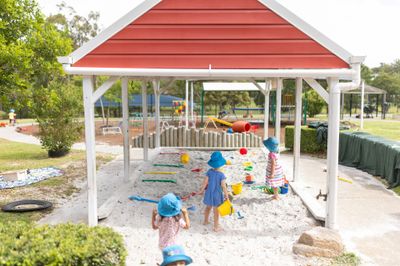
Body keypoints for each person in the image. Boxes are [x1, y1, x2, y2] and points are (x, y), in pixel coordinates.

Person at [198, 151, 229, 232]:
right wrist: (227, 195)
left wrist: (201, 190)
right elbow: (223, 186)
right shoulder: (221, 175)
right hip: (217, 195)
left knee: (208, 207)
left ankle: (205, 220)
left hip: (209, 193)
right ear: (221, 163)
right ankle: (216, 227)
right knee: (216, 211)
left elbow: (205, 182)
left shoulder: (209, 172)